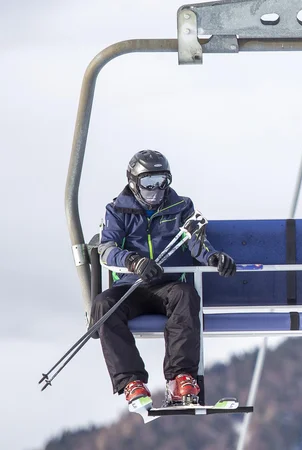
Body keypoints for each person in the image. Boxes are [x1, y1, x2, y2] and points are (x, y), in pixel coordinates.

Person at [94, 150, 237, 407]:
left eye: (161, 182)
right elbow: (106, 249)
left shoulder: (181, 207)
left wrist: (213, 258)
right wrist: (133, 262)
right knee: (104, 306)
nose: (155, 190)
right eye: (148, 183)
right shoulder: (117, 210)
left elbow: (196, 242)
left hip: (167, 285)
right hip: (132, 286)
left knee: (186, 295)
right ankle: (131, 382)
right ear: (133, 182)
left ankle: (180, 378)